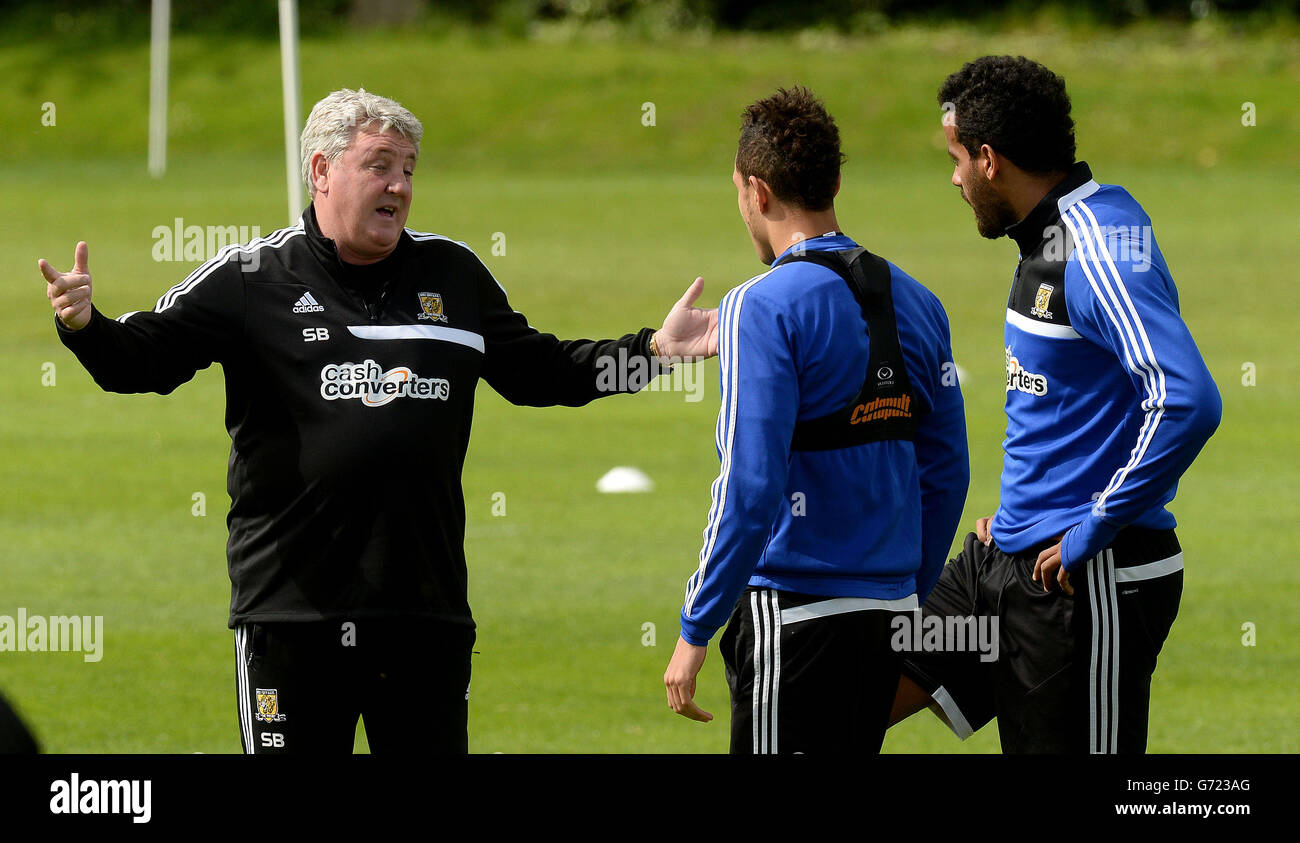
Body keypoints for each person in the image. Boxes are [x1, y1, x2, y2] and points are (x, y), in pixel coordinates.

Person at [39, 88, 718, 754]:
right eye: (381, 165)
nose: (400, 185)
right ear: (321, 171)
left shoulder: (453, 275)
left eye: (409, 169)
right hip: (291, 618)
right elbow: (142, 361)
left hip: (423, 618)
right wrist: (85, 325)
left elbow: (544, 371)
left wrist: (653, 351)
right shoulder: (252, 278)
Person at [890, 56, 1222, 753]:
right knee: (844, 697)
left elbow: (1186, 397)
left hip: (1086, 581)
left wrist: (1089, 526)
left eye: (956, 160)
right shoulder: (1043, 239)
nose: (953, 178)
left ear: (989, 158)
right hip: (1004, 557)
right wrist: (1023, 512)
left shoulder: (1098, 247)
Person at [662, 86, 969, 754]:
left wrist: (695, 626)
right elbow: (947, 471)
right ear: (833, 182)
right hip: (887, 615)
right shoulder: (920, 302)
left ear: (757, 191)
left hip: (793, 616)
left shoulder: (759, 306)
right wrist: (904, 592)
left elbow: (749, 489)